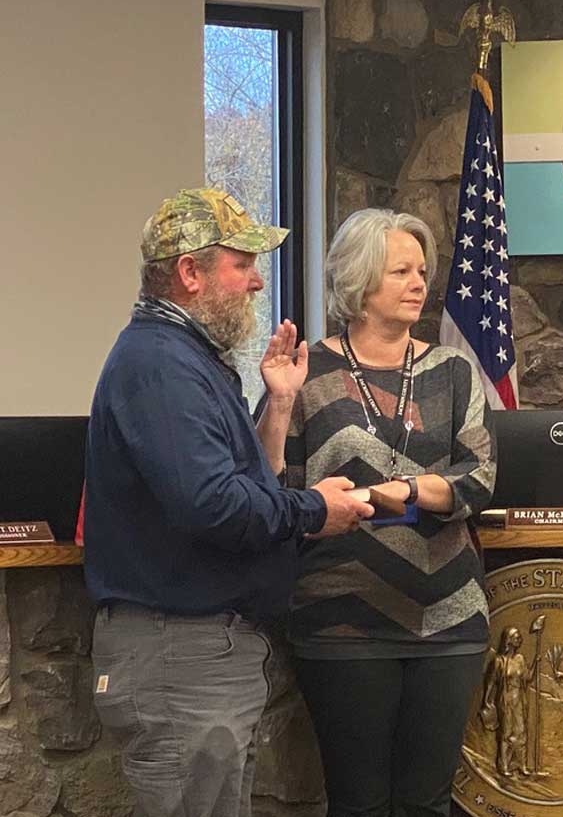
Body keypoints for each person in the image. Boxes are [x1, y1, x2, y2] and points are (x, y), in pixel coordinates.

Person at [85, 188, 373, 817]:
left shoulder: (190, 361)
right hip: (179, 657)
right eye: (241, 264)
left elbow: (248, 485)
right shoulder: (160, 365)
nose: (256, 281)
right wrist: (316, 510)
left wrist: (279, 404)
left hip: (198, 657)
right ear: (190, 273)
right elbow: (213, 506)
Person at [261, 208, 496, 817]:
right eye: (400, 271)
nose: (419, 283)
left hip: (449, 620)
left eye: (422, 270)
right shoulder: (307, 371)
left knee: (428, 802)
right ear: (360, 283)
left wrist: (413, 493)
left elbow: (480, 478)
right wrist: (280, 404)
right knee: (358, 803)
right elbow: (270, 486)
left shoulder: (453, 369)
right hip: (343, 620)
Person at [480, 626, 537, 777]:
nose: (520, 639)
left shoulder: (520, 659)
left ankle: (522, 765)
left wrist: (536, 662)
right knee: (506, 733)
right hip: (505, 700)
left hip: (519, 700)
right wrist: (486, 700)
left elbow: (528, 678)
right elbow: (491, 682)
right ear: (509, 640)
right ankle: (504, 765)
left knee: (522, 732)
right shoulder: (499, 661)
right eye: (517, 637)